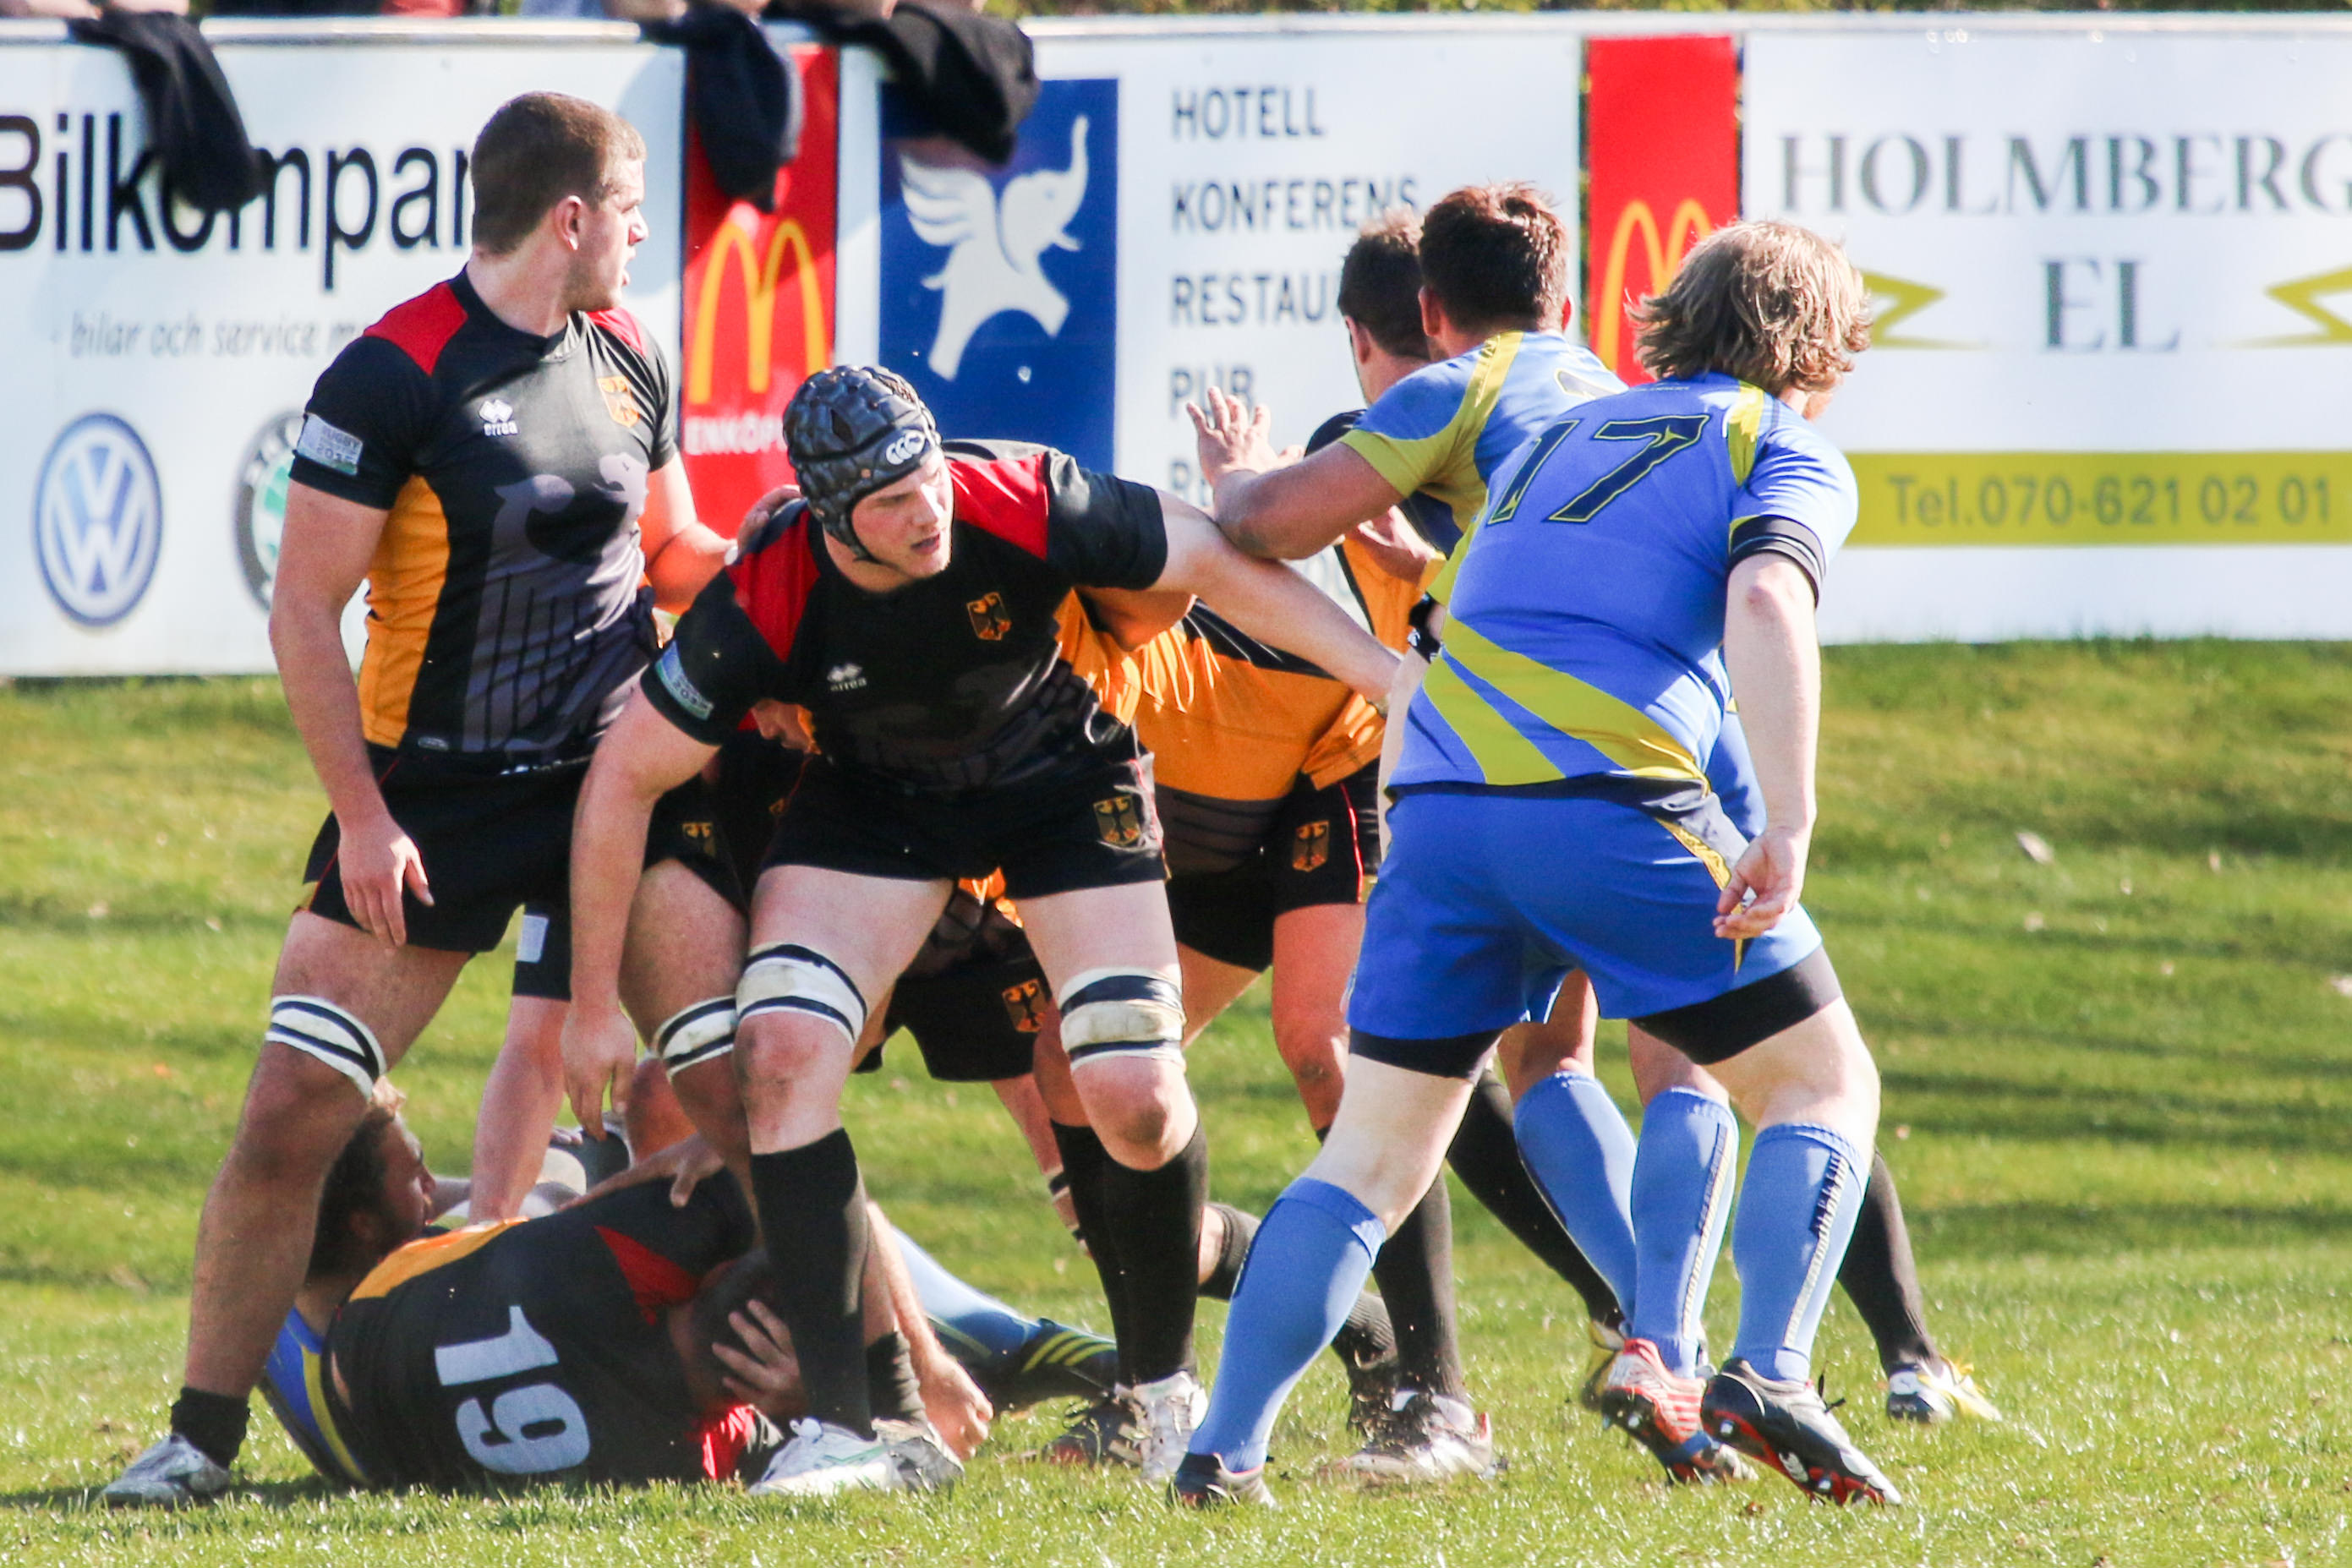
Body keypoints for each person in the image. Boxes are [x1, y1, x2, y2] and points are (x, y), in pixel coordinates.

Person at [559, 365, 1398, 1496]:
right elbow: (620, 778)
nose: (927, 509)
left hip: (1059, 782)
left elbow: (1209, 558)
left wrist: (1391, 679)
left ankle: (1165, 1395)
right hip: (879, 807)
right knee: (780, 1054)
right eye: (891, 501)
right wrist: (591, 1005)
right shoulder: (768, 589)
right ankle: (853, 1432)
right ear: (831, 521)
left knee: (1135, 1093)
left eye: (926, 476)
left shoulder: (1013, 493)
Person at [1174, 220, 1901, 1509]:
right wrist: (1786, 821)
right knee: (1822, 1080)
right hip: (1606, 800)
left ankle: (1221, 1451)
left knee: (1369, 1155)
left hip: (1436, 808)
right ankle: (1768, 1370)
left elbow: (1454, 601)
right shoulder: (1775, 442)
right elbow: (1766, 599)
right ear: (1821, 351)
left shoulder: (1561, 430)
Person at [101, 93, 763, 1509]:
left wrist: (776, 554)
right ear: (569, 219)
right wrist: (361, 816)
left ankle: (859, 1406)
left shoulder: (634, 350)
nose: (643, 236)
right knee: (292, 1108)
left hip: (614, 783)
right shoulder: (392, 372)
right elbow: (302, 608)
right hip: (436, 800)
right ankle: (196, 1442)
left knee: (743, 1088)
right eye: (631, 211)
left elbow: (672, 550)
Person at [257, 1095, 1113, 1494]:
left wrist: (835, 1397)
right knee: (721, 1132)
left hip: (418, 1366)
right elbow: (816, 1185)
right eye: (413, 1176)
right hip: (458, 1335)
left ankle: (985, 1363)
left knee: (671, 1117)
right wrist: (886, 1385)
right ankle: (1016, 1352)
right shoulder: (693, 1445)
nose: (434, 1186)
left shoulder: (330, 1338)